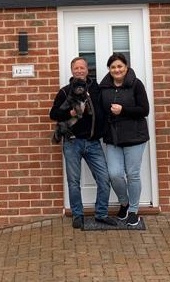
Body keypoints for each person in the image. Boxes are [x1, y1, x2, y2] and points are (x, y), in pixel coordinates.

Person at [49, 56, 116, 229]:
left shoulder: (96, 90)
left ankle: (101, 214)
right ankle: (77, 215)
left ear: (87, 70)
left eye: (82, 68)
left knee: (104, 178)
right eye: (76, 68)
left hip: (93, 142)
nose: (79, 70)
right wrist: (71, 113)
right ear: (72, 71)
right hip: (72, 142)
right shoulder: (65, 91)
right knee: (74, 182)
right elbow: (53, 114)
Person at [99, 52, 150, 227]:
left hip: (135, 136)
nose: (117, 69)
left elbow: (144, 110)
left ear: (126, 67)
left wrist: (124, 110)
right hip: (113, 137)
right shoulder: (103, 87)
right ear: (109, 69)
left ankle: (134, 211)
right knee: (114, 174)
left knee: (133, 174)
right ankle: (124, 203)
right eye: (113, 67)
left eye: (120, 66)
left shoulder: (136, 84)